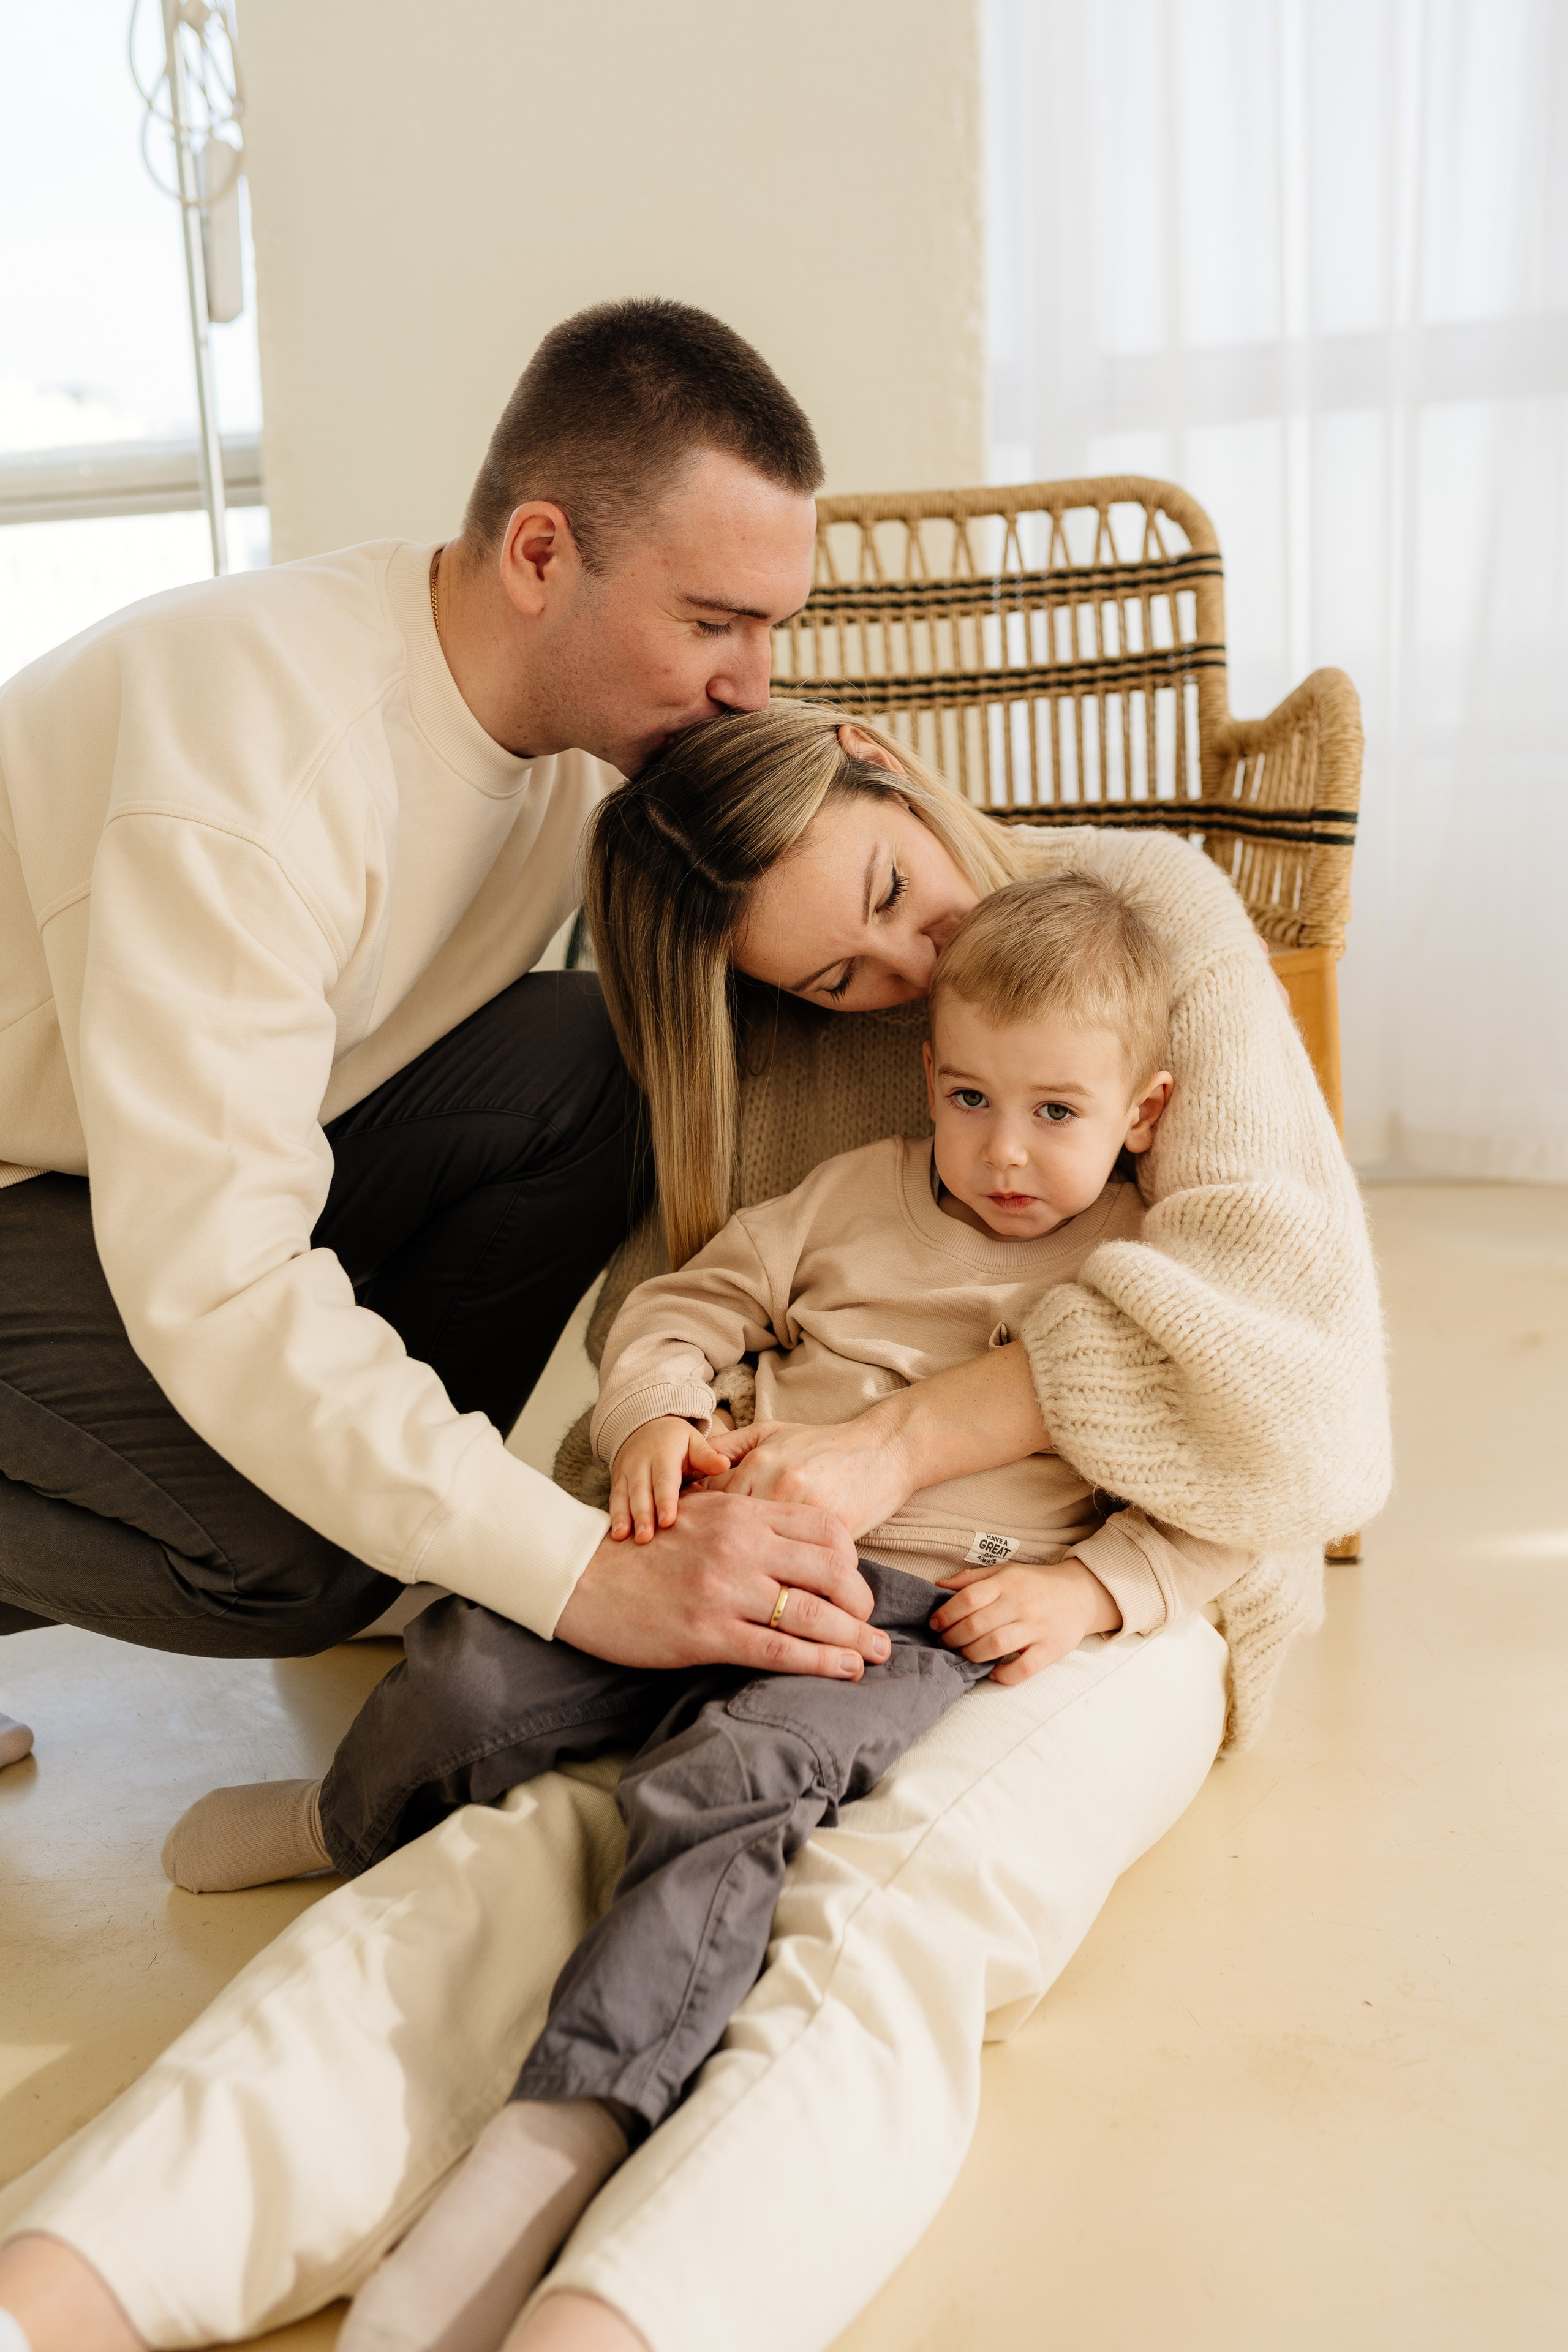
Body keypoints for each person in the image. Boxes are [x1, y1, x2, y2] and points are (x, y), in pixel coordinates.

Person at [0, 705, 1390, 2352]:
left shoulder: (1148, 931)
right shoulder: (820, 1112)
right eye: (836, 979)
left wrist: (999, 1513)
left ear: (880, 759)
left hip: (1077, 1578)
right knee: (521, 1835)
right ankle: (70, 2289)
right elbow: (674, 1321)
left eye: (887, 886)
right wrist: (676, 1467)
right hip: (797, 1536)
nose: (902, 959)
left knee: (865, 1905)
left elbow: (1304, 1413)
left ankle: (603, 2303)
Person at [0, 298, 893, 1746]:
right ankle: (374, 1538)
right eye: (713, 624)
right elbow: (218, 1280)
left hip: (115, 1154)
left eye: (769, 629)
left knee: (597, 1055)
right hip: (34, 1182)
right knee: (287, 1560)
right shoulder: (259, 775)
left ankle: (403, 1526)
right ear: (542, 554)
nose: (752, 685)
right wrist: (581, 1577)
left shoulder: (560, 742)